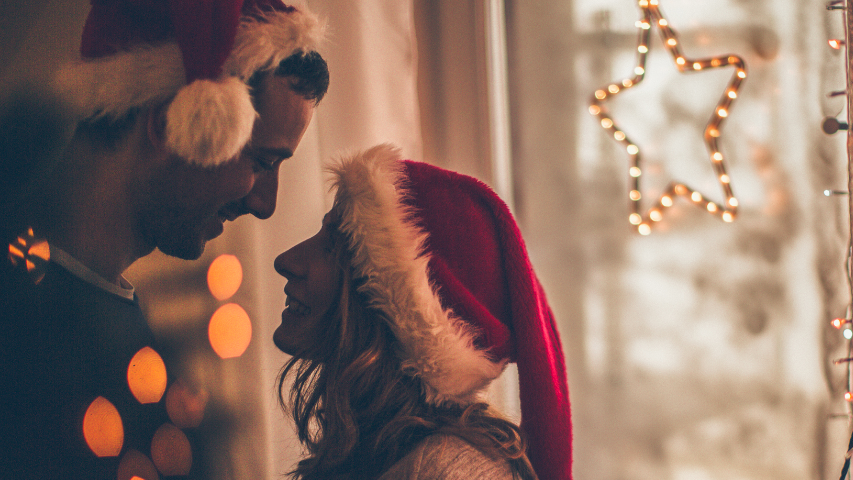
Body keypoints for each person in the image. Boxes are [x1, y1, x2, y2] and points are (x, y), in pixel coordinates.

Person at [0, 1, 328, 478]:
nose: (265, 204)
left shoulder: (119, 339)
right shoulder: (34, 345)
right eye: (260, 162)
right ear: (171, 124)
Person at [273, 144, 574, 479]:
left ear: (396, 316)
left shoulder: (449, 470)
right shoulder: (383, 449)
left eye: (331, 246)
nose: (286, 260)